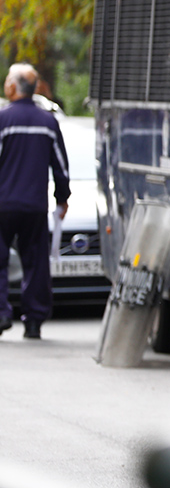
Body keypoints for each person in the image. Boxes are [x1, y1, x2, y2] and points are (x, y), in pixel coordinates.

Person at [0, 63, 70, 339]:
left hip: (3, 205)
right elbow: (61, 168)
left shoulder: (3, 120)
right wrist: (61, 199)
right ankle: (33, 320)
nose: (5, 84)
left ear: (15, 87)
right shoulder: (48, 122)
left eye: (7, 80)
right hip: (34, 206)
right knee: (36, 262)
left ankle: (2, 313)